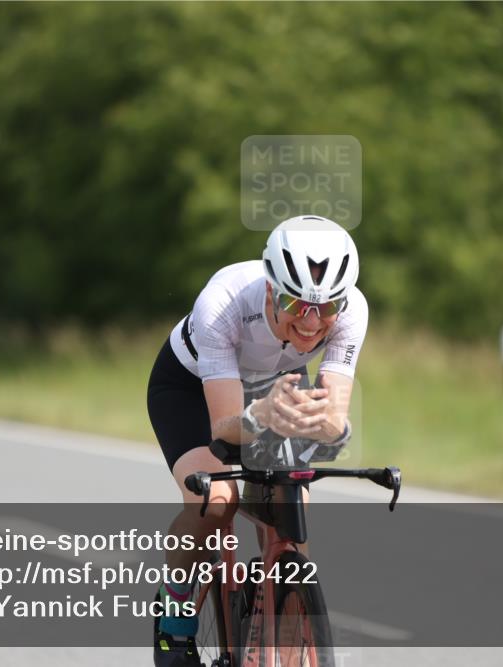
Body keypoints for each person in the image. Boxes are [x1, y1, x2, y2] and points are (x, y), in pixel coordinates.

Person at [146, 215, 368, 666]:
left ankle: (281, 621)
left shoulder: (351, 311)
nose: (311, 323)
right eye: (296, 304)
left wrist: (326, 426)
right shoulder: (223, 304)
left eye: (326, 308)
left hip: (275, 384)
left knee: (292, 508)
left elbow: (333, 419)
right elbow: (225, 427)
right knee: (217, 500)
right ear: (271, 289)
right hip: (192, 388)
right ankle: (175, 607)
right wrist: (262, 414)